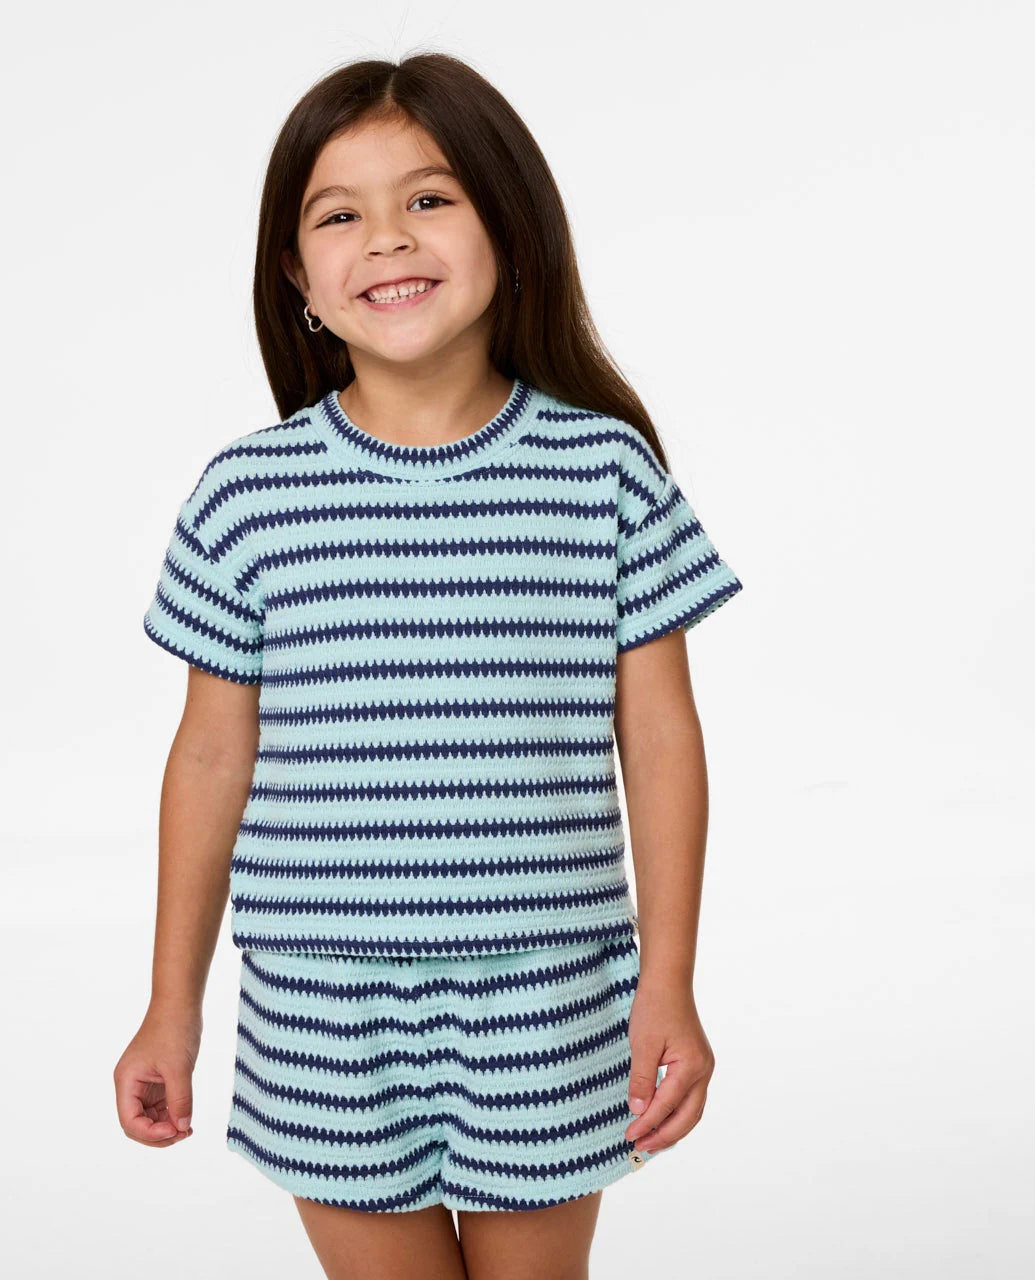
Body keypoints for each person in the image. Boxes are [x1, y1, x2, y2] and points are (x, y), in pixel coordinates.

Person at [113, 51, 744, 1280]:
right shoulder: (248, 494)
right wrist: (169, 1003)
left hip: (549, 997)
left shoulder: (604, 474)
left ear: (508, 224)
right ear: (297, 275)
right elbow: (209, 754)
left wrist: (668, 980)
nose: (388, 239)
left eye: (429, 198)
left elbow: (662, 737)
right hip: (319, 1007)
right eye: (339, 215)